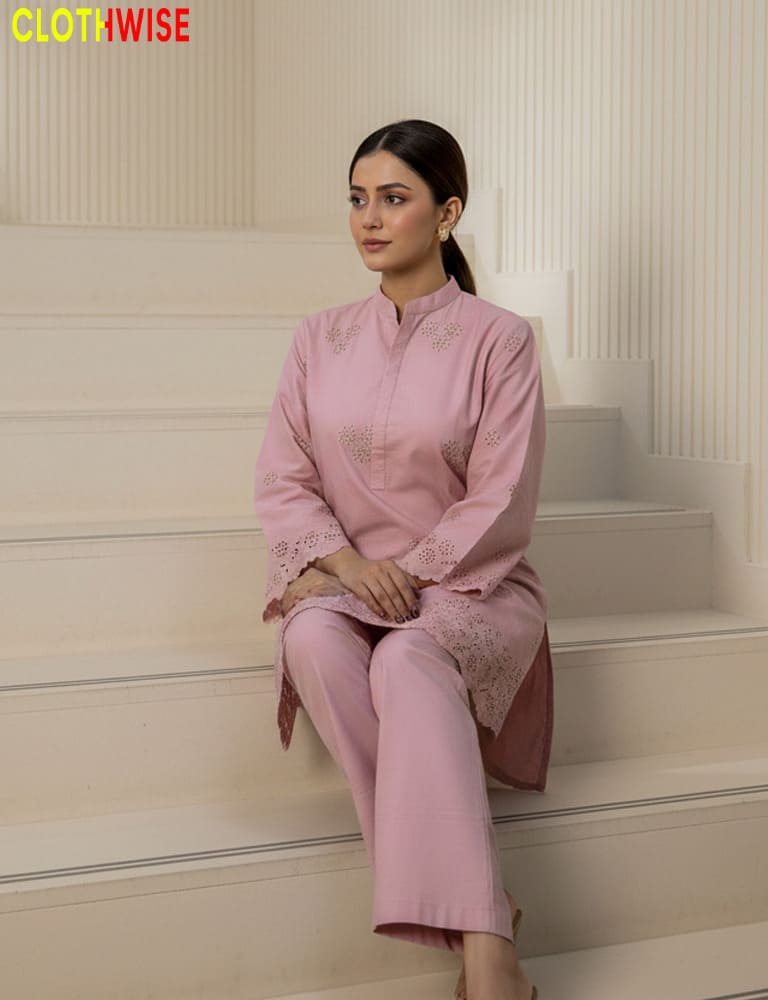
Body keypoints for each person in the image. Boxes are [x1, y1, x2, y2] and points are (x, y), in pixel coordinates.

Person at [253, 118, 550, 1000]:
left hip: (473, 582)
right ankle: (488, 910)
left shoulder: (501, 338)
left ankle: (487, 960)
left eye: (394, 198)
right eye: (357, 199)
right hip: (350, 579)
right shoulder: (317, 337)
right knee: (310, 643)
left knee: (414, 659)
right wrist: (344, 567)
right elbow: (283, 475)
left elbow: (502, 494)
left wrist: (415, 575)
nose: (369, 219)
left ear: (447, 213)